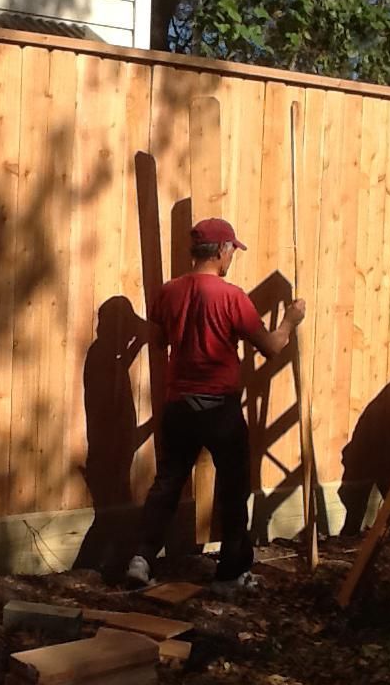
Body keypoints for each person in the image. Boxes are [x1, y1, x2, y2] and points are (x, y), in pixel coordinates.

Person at [125, 218, 306, 593]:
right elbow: (271, 348)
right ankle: (230, 574)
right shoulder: (231, 297)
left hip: (178, 406)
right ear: (222, 251)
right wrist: (290, 319)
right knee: (234, 487)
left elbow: (158, 342)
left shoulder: (168, 292)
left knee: (168, 484)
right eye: (231, 251)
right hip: (220, 408)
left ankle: (141, 559)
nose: (231, 259)